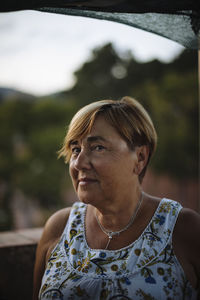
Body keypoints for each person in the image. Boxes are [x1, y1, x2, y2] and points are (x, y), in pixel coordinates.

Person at [33, 96, 200, 300]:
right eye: (76, 149)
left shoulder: (183, 229)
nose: (79, 163)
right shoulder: (59, 227)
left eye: (98, 147)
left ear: (140, 158)